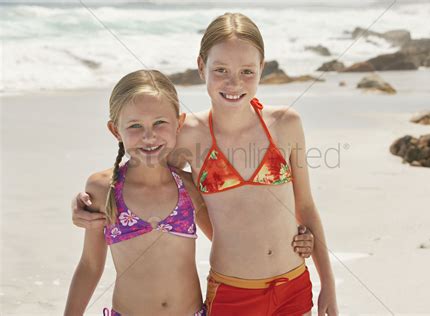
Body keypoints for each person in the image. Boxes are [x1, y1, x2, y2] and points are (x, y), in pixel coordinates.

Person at [73, 12, 337, 315]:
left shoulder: (286, 124)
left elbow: (306, 206)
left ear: (262, 68)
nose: (234, 82)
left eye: (247, 71)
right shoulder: (186, 136)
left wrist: (327, 282)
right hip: (233, 290)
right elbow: (138, 171)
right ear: (202, 67)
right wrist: (85, 203)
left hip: (294, 284)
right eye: (221, 69)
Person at [64, 70, 211, 315]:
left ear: (179, 123)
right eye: (135, 125)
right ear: (115, 131)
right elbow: (90, 265)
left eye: (159, 123)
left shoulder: (189, 186)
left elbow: (225, 244)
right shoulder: (104, 189)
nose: (149, 135)